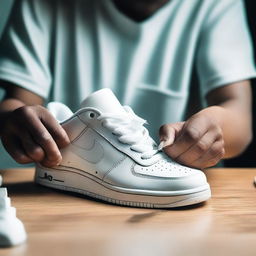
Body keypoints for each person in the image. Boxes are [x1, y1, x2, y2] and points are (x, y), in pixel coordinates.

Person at [0, 0, 255, 170]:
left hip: (180, 172)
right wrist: (16, 119)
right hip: (67, 172)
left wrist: (213, 126)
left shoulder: (217, 4)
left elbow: (239, 115)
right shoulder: (41, 4)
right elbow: (19, 101)